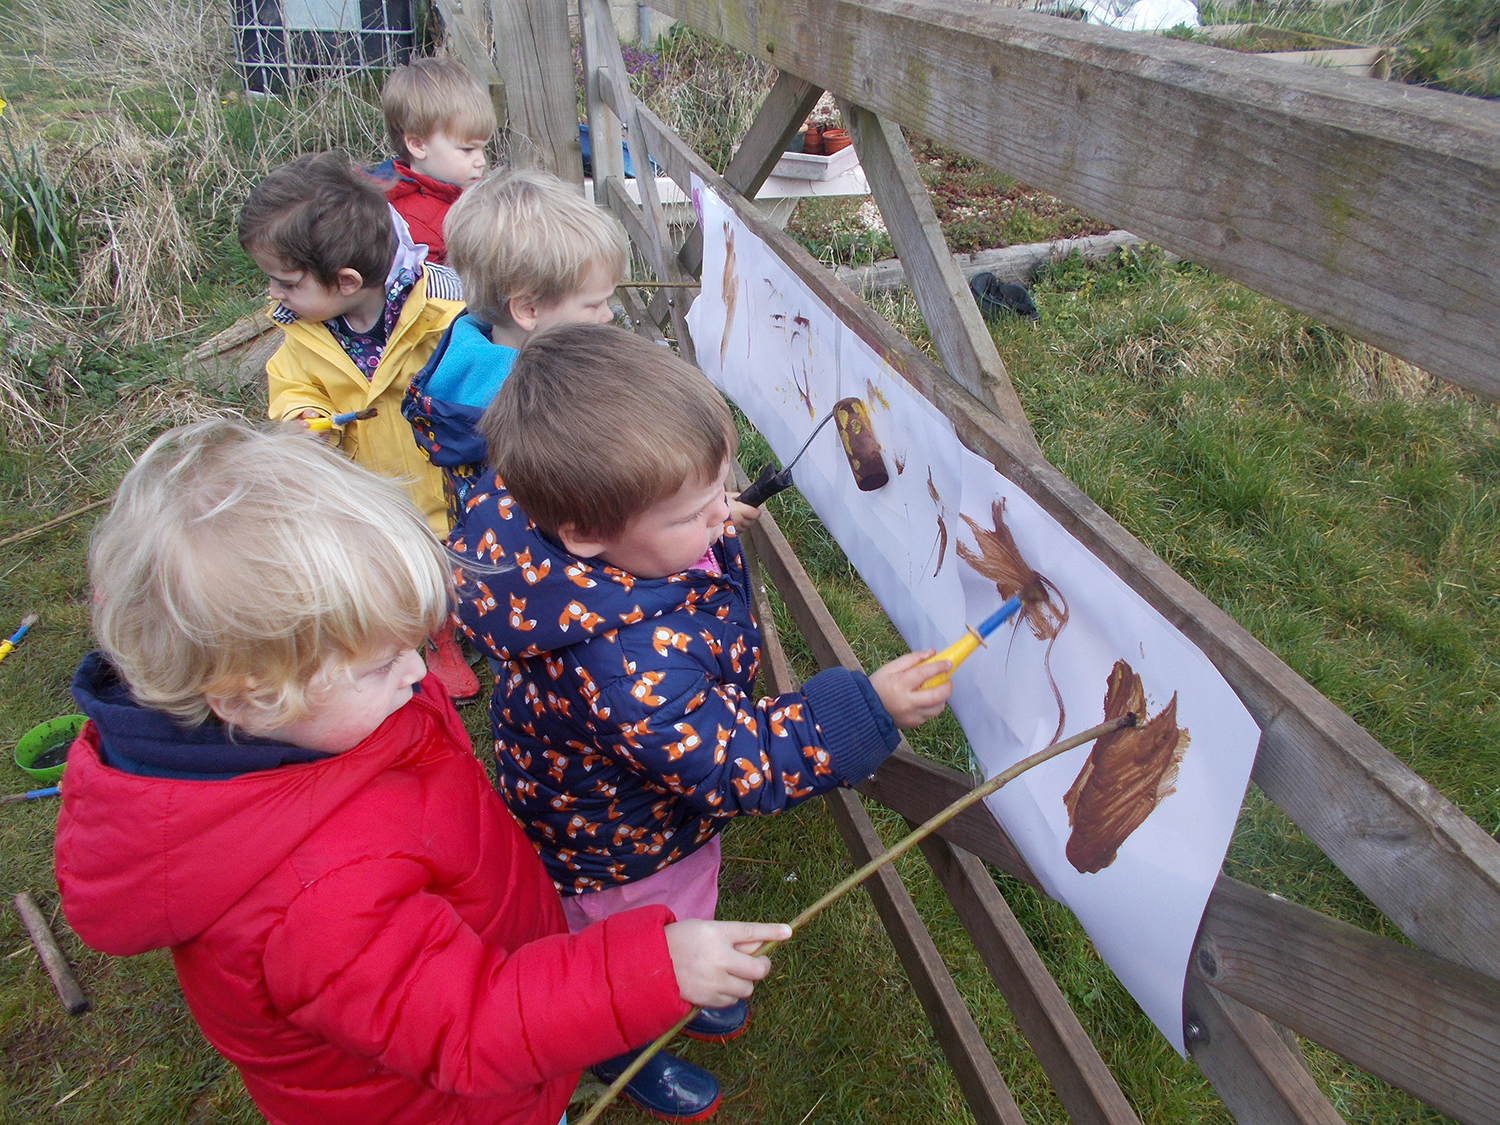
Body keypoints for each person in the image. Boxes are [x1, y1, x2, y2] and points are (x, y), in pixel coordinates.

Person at [53, 419, 790, 1125]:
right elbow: (469, 1027)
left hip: (511, 969)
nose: (421, 672)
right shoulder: (312, 905)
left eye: (415, 641)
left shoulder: (325, 720)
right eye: (382, 663)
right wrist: (650, 970)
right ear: (248, 693)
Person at [450, 324, 953, 1121]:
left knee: (679, 915)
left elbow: (674, 563)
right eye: (695, 510)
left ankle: (665, 986)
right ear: (589, 531)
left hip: (620, 801)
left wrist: (706, 519)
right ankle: (623, 1038)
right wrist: (869, 709)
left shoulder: (551, 521)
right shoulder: (624, 666)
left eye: (721, 490)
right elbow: (735, 759)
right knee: (638, 945)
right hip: (622, 848)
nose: (722, 514)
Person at [239, 150, 478, 702]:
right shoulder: (308, 327)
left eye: (285, 282)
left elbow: (484, 370)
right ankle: (436, 636)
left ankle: (488, 616)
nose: (274, 294)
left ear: (345, 280)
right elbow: (294, 380)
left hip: (448, 472)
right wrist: (300, 417)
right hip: (368, 477)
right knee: (398, 561)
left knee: (464, 549)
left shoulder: (446, 308)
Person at [403, 168, 625, 525]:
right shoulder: (538, 410)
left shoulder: (459, 362)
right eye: (594, 304)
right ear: (528, 309)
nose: (606, 316)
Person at [369, 57, 496, 264]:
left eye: (483, 149)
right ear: (418, 145)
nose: (481, 161)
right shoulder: (409, 226)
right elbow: (426, 292)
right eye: (467, 149)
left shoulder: (467, 192)